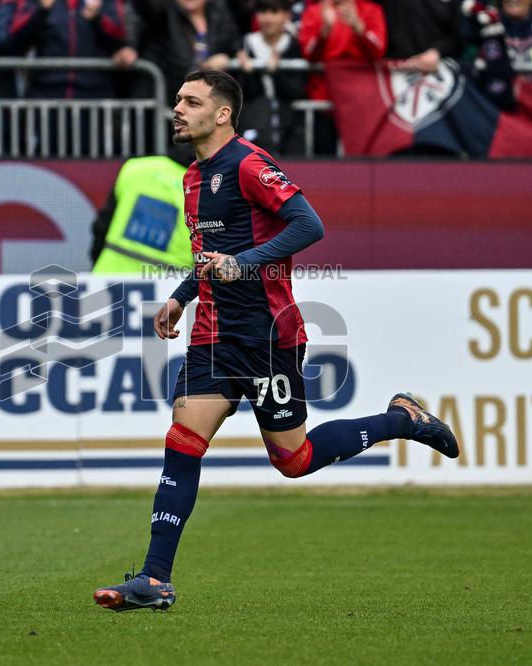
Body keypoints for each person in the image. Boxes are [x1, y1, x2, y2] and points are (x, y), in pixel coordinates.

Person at [92, 70, 459, 613]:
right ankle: (154, 578)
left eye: (191, 102)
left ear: (222, 114)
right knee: (181, 443)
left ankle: (401, 419)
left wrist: (243, 264)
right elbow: (208, 256)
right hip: (214, 336)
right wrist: (182, 294)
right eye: (177, 101)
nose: (179, 109)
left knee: (294, 459)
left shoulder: (249, 164)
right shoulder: (192, 177)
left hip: (268, 338)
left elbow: (309, 225)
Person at [297, 0, 386, 154]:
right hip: (324, 102)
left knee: (360, 160)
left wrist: (359, 27)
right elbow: (308, 53)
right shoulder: (315, 11)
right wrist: (324, 32)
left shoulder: (371, 10)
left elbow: (379, 50)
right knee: (324, 162)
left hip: (360, 102)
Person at [90, 146, 195, 274]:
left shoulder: (136, 168)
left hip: (108, 280)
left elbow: (101, 228)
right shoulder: (207, 189)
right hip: (170, 287)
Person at [236, 0, 306, 155]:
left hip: (287, 125)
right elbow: (247, 93)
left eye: (273, 12)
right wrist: (248, 73)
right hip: (255, 122)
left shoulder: (293, 44)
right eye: (262, 12)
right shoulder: (247, 44)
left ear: (286, 15)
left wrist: (276, 72)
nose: (267, 18)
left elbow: (296, 92)